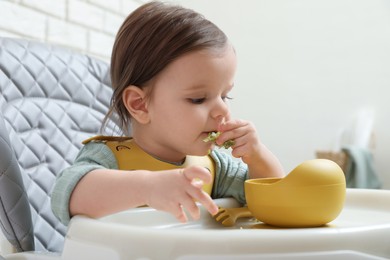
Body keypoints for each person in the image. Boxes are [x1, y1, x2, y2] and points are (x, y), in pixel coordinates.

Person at [51, 1, 284, 226]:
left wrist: (258, 156)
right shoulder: (110, 159)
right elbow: (67, 195)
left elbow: (273, 201)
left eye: (225, 96)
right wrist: (147, 187)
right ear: (140, 105)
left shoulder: (214, 168)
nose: (223, 110)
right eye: (198, 99)